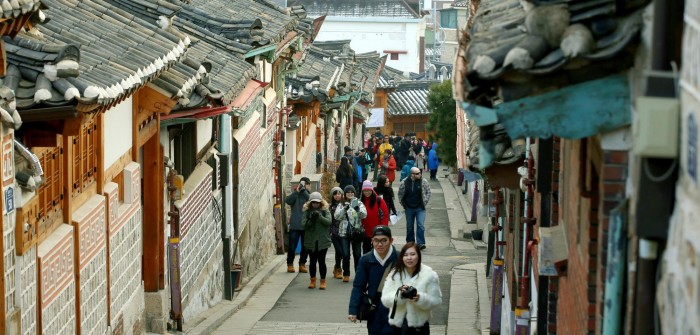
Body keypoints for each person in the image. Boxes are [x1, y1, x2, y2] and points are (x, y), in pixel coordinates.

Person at [381, 242, 442, 334]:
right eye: (405, 255)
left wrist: (419, 298)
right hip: (398, 326)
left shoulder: (429, 275)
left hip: (419, 326)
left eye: (413, 254)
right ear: (402, 257)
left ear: (418, 256)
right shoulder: (395, 274)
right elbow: (385, 299)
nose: (409, 258)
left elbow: (436, 301)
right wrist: (399, 295)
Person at [348, 226, 398, 335]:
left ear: (391, 240)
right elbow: (358, 286)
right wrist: (353, 309)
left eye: (384, 240)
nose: (380, 244)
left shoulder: (399, 258)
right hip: (375, 310)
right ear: (372, 241)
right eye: (376, 240)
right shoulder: (366, 260)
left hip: (396, 310)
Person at [334, 185, 367, 281]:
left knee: (357, 254)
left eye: (352, 192)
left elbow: (364, 215)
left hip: (356, 231)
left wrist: (357, 209)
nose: (350, 194)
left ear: (354, 193)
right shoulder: (341, 204)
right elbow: (336, 216)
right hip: (344, 232)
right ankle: (346, 274)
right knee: (345, 254)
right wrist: (344, 209)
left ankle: (358, 273)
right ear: (345, 194)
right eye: (348, 192)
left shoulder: (359, 202)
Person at [302, 192, 332, 289]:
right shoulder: (306, 211)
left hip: (323, 240)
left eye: (317, 202)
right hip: (310, 240)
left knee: (322, 261)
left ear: (321, 202)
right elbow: (304, 226)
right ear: (310, 202)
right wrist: (311, 219)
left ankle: (323, 281)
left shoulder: (325, 210)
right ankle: (312, 280)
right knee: (312, 261)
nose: (316, 204)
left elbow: (328, 222)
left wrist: (319, 216)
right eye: (314, 202)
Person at [398, 168, 431, 250]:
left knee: (420, 225)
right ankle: (410, 242)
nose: (420, 175)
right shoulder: (404, 182)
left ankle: (420, 243)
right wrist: (403, 204)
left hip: (420, 207)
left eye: (420, 173)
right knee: (409, 226)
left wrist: (425, 202)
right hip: (409, 208)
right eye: (417, 173)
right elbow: (400, 194)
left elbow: (428, 192)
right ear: (412, 174)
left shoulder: (423, 181)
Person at [285, 177, 310, 273]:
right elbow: (288, 201)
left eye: (306, 184)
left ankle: (302, 264)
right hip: (295, 225)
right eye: (302, 184)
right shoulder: (295, 194)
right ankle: (290, 264)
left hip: (306, 225)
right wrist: (297, 191)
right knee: (292, 246)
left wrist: (304, 191)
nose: (304, 186)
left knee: (305, 247)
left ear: (309, 185)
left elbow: (310, 200)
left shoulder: (309, 195)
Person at [360, 180, 389, 253]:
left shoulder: (379, 200)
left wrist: (383, 228)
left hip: (377, 231)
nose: (367, 192)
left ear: (372, 190)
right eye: (365, 190)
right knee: (366, 251)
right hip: (365, 231)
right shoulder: (360, 201)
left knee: (377, 251)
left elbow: (385, 215)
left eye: (368, 190)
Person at [329, 186, 345, 279]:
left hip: (344, 232)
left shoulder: (345, 204)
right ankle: (338, 269)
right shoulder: (330, 206)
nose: (337, 196)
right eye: (335, 194)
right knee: (339, 250)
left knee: (342, 252)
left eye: (339, 194)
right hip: (334, 232)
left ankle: (337, 267)